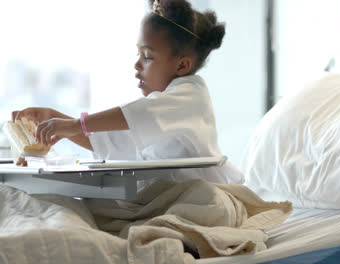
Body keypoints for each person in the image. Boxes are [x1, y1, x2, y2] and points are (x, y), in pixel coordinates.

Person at [12, 0, 244, 187]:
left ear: (182, 66)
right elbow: (112, 141)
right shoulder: (162, 112)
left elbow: (143, 113)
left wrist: (74, 124)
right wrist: (56, 118)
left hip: (199, 200)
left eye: (148, 57)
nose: (137, 65)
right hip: (167, 197)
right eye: (138, 55)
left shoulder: (192, 96)